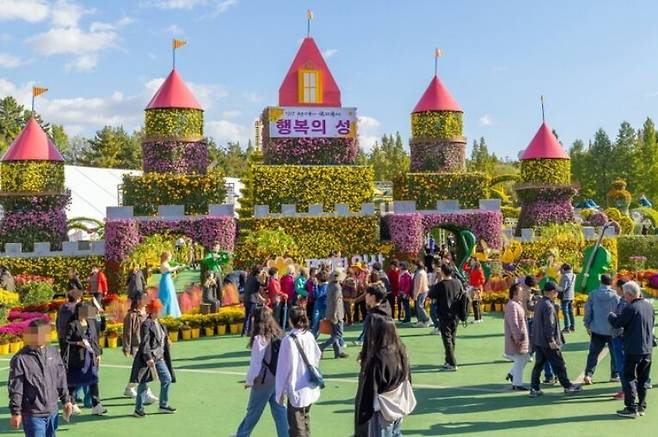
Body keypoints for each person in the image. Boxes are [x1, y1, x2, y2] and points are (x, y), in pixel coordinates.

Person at [8, 319, 73, 437]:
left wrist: (66, 400)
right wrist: (15, 412)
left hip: (53, 411)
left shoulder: (53, 353)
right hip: (33, 414)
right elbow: (16, 388)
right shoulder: (20, 359)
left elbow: (60, 377)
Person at [355, 316, 413, 436]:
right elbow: (407, 375)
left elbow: (371, 387)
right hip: (398, 400)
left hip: (383, 407)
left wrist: (363, 413)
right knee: (396, 432)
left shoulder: (378, 357)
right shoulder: (401, 350)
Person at [235, 306, 288, 437]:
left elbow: (255, 365)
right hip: (278, 379)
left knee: (253, 411)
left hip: (263, 381)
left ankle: (242, 434)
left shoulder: (260, 339)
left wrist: (249, 381)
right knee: (280, 410)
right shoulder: (279, 335)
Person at [608, 280, 655, 418]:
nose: (624, 298)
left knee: (629, 377)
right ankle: (641, 406)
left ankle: (630, 407)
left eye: (625, 295)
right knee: (643, 379)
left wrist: (611, 315)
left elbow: (618, 323)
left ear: (629, 294)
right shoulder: (649, 306)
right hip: (647, 348)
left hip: (633, 348)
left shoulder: (630, 308)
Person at [529, 281, 582, 397]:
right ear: (552, 292)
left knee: (539, 365)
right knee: (559, 365)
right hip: (548, 342)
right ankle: (568, 387)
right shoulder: (549, 306)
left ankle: (534, 388)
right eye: (556, 291)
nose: (558, 293)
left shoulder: (540, 303)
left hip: (539, 340)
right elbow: (550, 325)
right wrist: (551, 340)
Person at [276, 307, 322, 437]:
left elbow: (282, 369)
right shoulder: (309, 335)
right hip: (310, 384)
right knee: (305, 420)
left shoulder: (288, 340)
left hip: (295, 387)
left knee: (297, 426)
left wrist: (280, 392)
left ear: (290, 320)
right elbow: (317, 355)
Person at [130, 299, 177, 418]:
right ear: (154, 311)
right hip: (150, 358)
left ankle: (163, 405)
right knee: (143, 383)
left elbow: (163, 337)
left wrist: (167, 340)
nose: (160, 310)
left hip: (159, 357)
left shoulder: (160, 323)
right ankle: (138, 409)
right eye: (159, 309)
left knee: (167, 378)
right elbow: (144, 343)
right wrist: (148, 358)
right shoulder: (146, 324)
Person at [64, 301, 107, 416]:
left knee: (93, 379)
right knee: (73, 382)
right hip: (77, 358)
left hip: (90, 357)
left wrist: (98, 354)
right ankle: (71, 403)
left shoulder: (91, 322)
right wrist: (78, 343)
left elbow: (96, 338)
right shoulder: (72, 324)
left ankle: (96, 405)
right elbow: (66, 340)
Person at [582, 274, 620, 385]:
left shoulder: (593, 294)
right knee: (615, 353)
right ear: (611, 282)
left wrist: (587, 324)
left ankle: (588, 374)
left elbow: (588, 311)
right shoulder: (615, 296)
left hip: (597, 328)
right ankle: (615, 374)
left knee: (593, 353)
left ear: (600, 281)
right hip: (612, 329)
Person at [122, 293, 158, 404]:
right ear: (138, 300)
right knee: (143, 369)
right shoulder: (131, 315)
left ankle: (129, 388)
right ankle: (147, 394)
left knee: (140, 370)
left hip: (147, 345)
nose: (146, 300)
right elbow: (127, 333)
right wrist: (126, 347)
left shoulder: (148, 312)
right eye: (144, 298)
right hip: (137, 345)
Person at [433, 264, 463, 371]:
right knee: (452, 337)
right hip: (456, 315)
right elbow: (462, 294)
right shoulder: (458, 283)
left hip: (444, 314)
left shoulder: (441, 285)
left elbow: (431, 294)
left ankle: (452, 362)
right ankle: (448, 359)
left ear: (443, 272)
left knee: (447, 338)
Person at [504, 283, 530, 390]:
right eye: (521, 291)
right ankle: (517, 384)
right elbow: (513, 323)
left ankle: (512, 374)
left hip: (521, 337)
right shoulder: (512, 306)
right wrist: (517, 337)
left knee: (525, 357)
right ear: (515, 293)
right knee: (520, 359)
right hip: (517, 338)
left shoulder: (517, 304)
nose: (522, 293)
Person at [320, 270, 349, 359]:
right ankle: (322, 346)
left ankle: (338, 352)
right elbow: (336, 302)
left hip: (330, 312)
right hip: (336, 314)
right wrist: (335, 315)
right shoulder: (337, 287)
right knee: (338, 334)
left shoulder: (330, 286)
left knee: (334, 334)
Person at [611, 279, 628, 400]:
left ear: (621, 288)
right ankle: (628, 389)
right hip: (626, 337)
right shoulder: (625, 301)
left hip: (620, 337)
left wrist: (612, 317)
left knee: (622, 365)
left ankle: (626, 390)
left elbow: (620, 321)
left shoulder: (624, 302)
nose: (615, 290)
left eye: (616, 287)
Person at [56, 288, 83, 353]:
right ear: (78, 298)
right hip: (73, 340)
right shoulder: (77, 308)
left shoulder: (62, 307)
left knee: (64, 357)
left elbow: (57, 321)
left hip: (61, 336)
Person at [159, 251, 183, 318]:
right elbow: (169, 270)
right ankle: (167, 313)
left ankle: (172, 313)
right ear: (166, 257)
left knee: (171, 295)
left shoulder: (166, 263)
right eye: (170, 256)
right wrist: (177, 267)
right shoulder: (163, 264)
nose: (170, 258)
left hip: (168, 280)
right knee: (167, 296)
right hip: (165, 281)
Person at [242, 266, 265, 336]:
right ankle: (251, 331)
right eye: (262, 271)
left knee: (247, 316)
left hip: (246, 299)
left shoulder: (249, 278)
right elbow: (263, 284)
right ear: (259, 272)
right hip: (252, 300)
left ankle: (244, 332)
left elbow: (255, 290)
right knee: (253, 316)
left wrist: (261, 299)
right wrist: (264, 277)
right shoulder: (256, 278)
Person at [464, 258, 485, 324]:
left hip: (477, 288)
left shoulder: (479, 269)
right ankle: (479, 318)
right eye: (471, 261)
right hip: (473, 287)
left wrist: (477, 286)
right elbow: (465, 268)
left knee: (476, 303)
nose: (471, 262)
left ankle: (477, 319)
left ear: (476, 261)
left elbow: (483, 279)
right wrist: (466, 262)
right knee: (476, 303)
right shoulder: (472, 268)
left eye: (473, 261)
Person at [558, 263, 576, 333]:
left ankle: (566, 328)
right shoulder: (573, 275)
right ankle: (572, 326)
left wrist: (555, 287)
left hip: (565, 296)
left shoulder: (565, 276)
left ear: (563, 269)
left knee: (565, 313)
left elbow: (563, 288)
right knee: (571, 312)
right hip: (571, 296)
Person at [412, 260, 430, 328]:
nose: (413, 266)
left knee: (419, 306)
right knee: (418, 306)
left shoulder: (419, 273)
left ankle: (426, 319)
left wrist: (415, 294)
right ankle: (421, 321)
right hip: (423, 291)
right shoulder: (423, 272)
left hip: (421, 291)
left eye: (414, 265)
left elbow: (419, 285)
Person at [311, 271, 329, 337]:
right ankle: (313, 337)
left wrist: (315, 285)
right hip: (321, 307)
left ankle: (339, 341)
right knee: (317, 324)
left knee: (331, 325)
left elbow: (317, 295)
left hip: (324, 307)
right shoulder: (321, 285)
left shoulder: (325, 286)